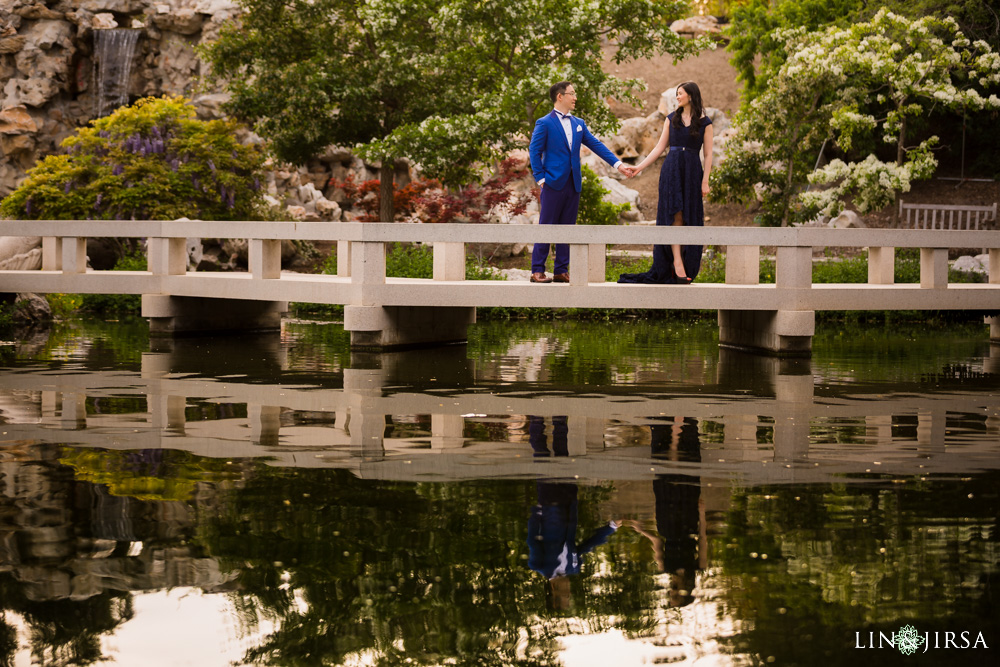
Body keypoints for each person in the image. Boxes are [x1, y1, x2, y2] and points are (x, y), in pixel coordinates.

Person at [529, 81, 632, 283]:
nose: (575, 97)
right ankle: (537, 270)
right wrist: (541, 178)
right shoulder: (544, 123)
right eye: (572, 93)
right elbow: (534, 151)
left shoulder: (579, 123)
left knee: (568, 227)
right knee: (546, 226)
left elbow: (596, 145)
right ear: (560, 96)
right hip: (552, 182)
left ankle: (560, 270)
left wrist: (618, 164)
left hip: (573, 183)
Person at [618, 82, 714, 285]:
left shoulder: (705, 122)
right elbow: (659, 148)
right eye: (677, 94)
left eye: (680, 94)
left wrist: (705, 181)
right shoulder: (671, 119)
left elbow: (708, 154)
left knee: (689, 218)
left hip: (692, 172)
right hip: (671, 171)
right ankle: (677, 264)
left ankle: (686, 263)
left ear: (691, 96)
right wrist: (639, 167)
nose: (677, 97)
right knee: (675, 216)